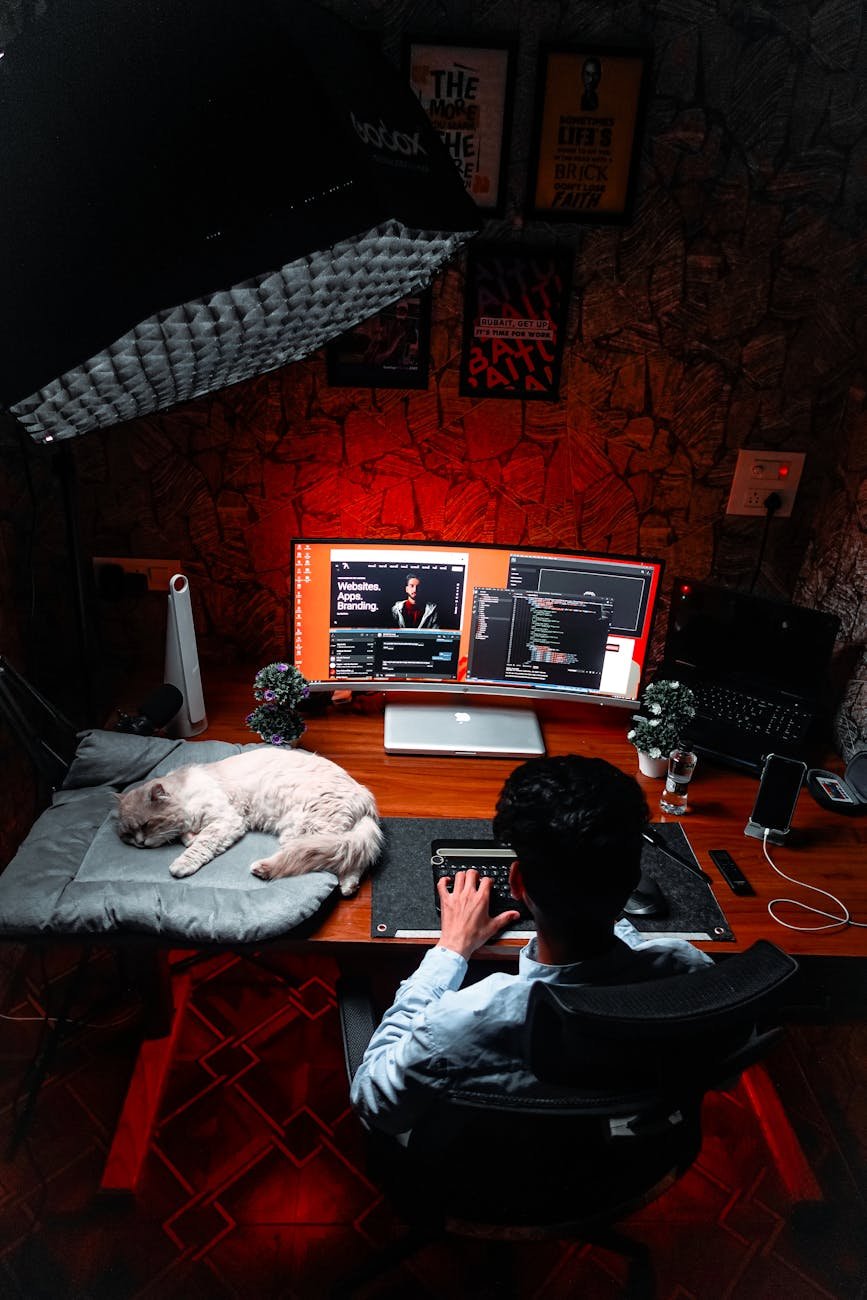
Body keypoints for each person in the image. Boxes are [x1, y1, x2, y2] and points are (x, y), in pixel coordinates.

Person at [350, 755, 712, 1137]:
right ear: (634, 878)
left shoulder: (459, 1023)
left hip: (478, 1181)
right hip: (625, 1166)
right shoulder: (691, 973)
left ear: (518, 883)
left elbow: (372, 1101)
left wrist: (450, 951)